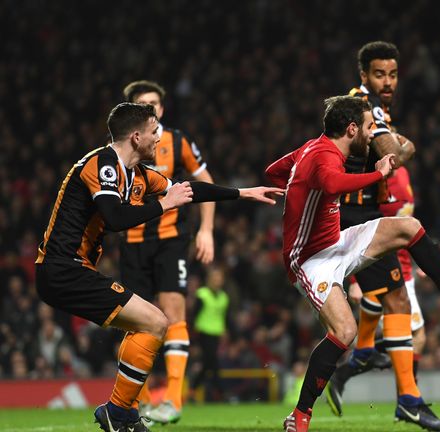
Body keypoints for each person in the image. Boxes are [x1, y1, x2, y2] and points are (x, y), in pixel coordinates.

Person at [34, 102, 283, 432]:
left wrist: (243, 193)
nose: (159, 140)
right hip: (60, 268)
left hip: (76, 270)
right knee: (154, 320)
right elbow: (116, 217)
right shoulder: (102, 164)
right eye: (154, 133)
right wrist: (164, 205)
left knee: (147, 324)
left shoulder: (137, 174)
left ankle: (123, 413)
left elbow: (187, 191)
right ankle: (120, 412)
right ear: (136, 137)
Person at [265, 95, 440, 432]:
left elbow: (274, 172)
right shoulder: (322, 155)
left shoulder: (310, 149)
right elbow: (332, 183)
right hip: (309, 259)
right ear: (351, 129)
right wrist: (377, 174)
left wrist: (296, 199)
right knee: (344, 331)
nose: (372, 133)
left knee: (409, 227)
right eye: (368, 127)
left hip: (336, 241)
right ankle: (300, 415)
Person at [324, 40, 440, 431]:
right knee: (384, 305)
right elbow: (392, 153)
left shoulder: (375, 109)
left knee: (395, 301)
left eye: (393, 74)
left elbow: (391, 153)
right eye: (379, 73)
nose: (388, 81)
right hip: (348, 215)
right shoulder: (362, 107)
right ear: (364, 75)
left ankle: (405, 398)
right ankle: (373, 374)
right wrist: (402, 146)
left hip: (359, 214)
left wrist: (398, 146)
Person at [119, 80, 215, 424]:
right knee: (136, 320)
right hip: (131, 242)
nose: (152, 109)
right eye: (143, 104)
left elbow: (204, 182)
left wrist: (206, 230)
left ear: (162, 107)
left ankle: (173, 400)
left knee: (174, 309)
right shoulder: (116, 149)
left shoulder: (177, 141)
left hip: (171, 238)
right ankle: (137, 402)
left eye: (155, 103)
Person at [190, 265, 231, 402]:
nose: (217, 280)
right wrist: (193, 338)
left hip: (216, 333)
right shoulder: (202, 294)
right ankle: (221, 392)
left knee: (208, 364)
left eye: (219, 278)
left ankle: (193, 389)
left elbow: (224, 317)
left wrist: (226, 330)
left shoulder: (224, 297)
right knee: (213, 362)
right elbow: (194, 314)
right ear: (209, 279)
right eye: (215, 278)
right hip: (203, 332)